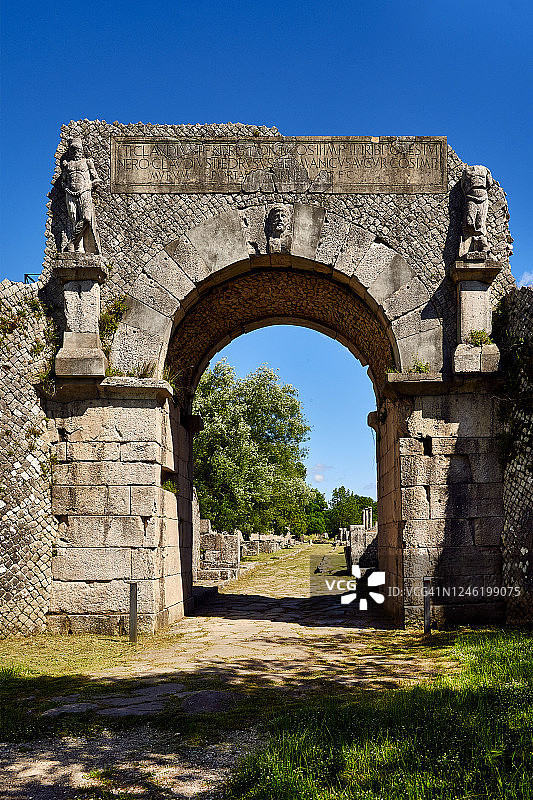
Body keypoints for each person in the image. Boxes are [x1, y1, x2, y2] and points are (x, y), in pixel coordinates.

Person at [61, 137, 101, 253]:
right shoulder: (67, 165)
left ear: (81, 150)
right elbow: (63, 180)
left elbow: (97, 179)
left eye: (77, 149)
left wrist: (89, 185)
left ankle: (72, 242)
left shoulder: (88, 162)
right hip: (70, 193)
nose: (75, 152)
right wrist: (65, 187)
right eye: (73, 149)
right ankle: (79, 247)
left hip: (84, 192)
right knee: (73, 219)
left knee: (87, 219)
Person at [460, 164, 494, 254]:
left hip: (482, 196)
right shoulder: (467, 171)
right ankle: (470, 244)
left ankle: (480, 242)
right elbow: (463, 184)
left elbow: (489, 183)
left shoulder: (485, 170)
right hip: (470, 196)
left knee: (480, 222)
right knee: (469, 221)